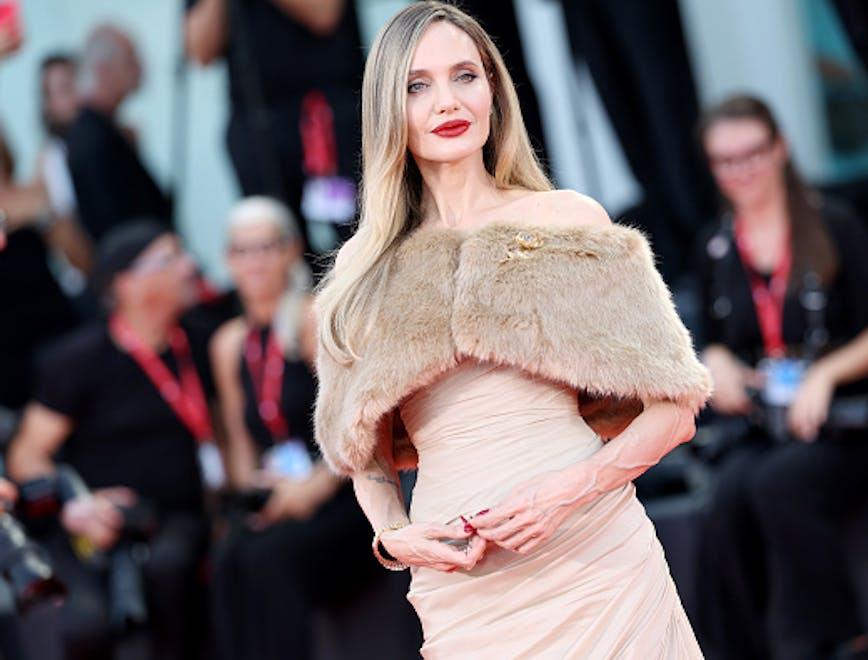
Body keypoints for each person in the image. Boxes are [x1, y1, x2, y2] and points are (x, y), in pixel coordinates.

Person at [312, 3, 713, 657]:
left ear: (493, 89)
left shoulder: (567, 219)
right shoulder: (362, 274)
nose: (447, 100)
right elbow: (367, 458)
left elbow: (676, 413)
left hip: (596, 561)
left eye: (465, 75)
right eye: (418, 85)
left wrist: (567, 493)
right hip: (465, 594)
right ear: (388, 108)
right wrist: (392, 536)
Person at [693, 95, 868, 659]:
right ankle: (739, 650)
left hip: (842, 424)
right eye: (725, 160)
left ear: (781, 149)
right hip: (766, 426)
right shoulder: (716, 247)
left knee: (780, 484)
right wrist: (716, 358)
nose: (741, 171)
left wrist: (824, 375)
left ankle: (832, 641)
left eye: (752, 154)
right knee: (725, 499)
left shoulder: (834, 225)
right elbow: (723, 343)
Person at [7, 221, 212, 660]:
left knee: (169, 568)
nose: (189, 266)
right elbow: (27, 453)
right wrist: (75, 504)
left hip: (178, 513)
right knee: (84, 621)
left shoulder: (201, 340)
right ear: (127, 284)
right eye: (170, 258)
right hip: (98, 520)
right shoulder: (78, 359)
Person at [208, 196, 381, 659]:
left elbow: (358, 420)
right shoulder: (228, 343)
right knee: (229, 558)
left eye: (266, 246)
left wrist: (311, 487)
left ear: (290, 250)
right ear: (227, 260)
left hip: (338, 489)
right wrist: (254, 491)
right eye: (242, 250)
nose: (255, 261)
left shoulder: (312, 318)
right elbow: (239, 441)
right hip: (279, 495)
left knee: (272, 558)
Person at [184, 0, 364, 265]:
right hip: (257, 126)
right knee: (276, 240)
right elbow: (201, 51)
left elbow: (324, 14)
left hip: (326, 120)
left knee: (355, 228)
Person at [65, 26, 172, 242]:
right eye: (130, 60)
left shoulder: (105, 129)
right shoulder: (92, 139)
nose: (141, 68)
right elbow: (116, 227)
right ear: (103, 70)